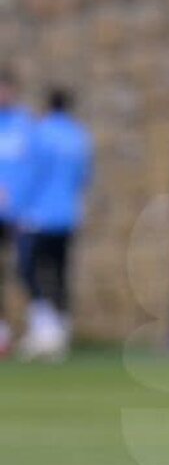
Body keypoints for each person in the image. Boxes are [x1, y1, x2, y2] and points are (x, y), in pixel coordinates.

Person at [17, 87, 94, 361]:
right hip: (68, 216)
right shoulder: (79, 137)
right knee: (60, 272)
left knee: (27, 268)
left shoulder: (40, 134)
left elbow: (30, 175)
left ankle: (46, 328)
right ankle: (61, 329)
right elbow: (84, 178)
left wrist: (20, 207)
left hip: (40, 215)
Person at [0, 69, 36, 357]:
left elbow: (35, 169)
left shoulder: (24, 124)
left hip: (18, 213)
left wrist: (23, 202)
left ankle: (44, 327)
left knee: (26, 267)